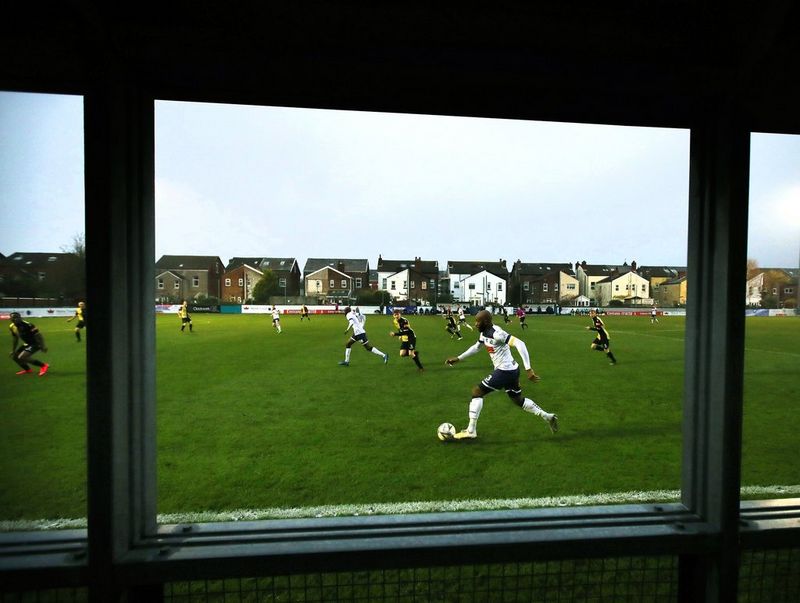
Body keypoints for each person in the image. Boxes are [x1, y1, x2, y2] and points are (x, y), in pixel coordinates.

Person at [445, 309, 557, 439]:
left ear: (486, 322)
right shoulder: (484, 333)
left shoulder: (496, 333)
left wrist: (528, 369)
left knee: (477, 392)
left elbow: (520, 343)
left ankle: (471, 430)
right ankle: (548, 416)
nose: (475, 324)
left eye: (478, 321)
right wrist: (458, 358)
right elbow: (476, 348)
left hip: (505, 371)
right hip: (512, 370)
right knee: (517, 400)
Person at [8, 312, 49, 376]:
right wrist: (13, 350)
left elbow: (39, 335)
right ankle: (28, 370)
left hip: (35, 343)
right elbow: (15, 338)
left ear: (20, 318)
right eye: (13, 318)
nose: (15, 319)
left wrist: (43, 346)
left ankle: (43, 365)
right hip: (27, 343)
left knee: (22, 357)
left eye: (17, 317)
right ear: (10, 319)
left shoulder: (28, 325)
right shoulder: (11, 326)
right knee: (15, 357)